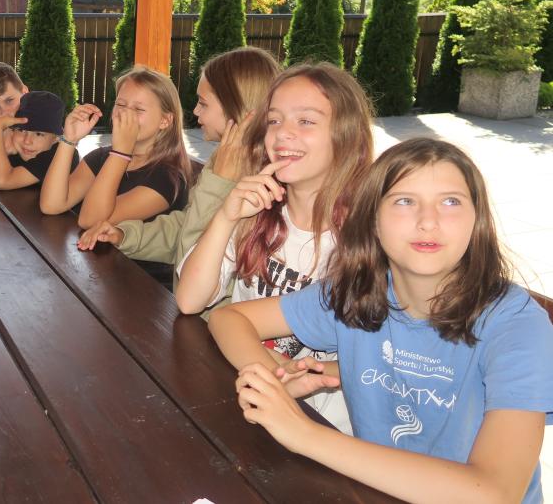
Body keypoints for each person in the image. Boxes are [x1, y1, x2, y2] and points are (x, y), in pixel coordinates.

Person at [210, 138, 553, 503]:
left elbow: (495, 493)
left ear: (477, 219)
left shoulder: (517, 324)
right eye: (405, 201)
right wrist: (275, 378)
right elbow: (228, 319)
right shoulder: (353, 293)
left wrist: (303, 433)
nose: (428, 221)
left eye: (450, 201)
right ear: (372, 219)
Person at [176, 62, 375, 433]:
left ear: (347, 137)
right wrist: (226, 217)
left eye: (306, 121)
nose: (283, 133)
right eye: (274, 120)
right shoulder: (257, 215)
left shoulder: (369, 237)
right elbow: (189, 300)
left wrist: (281, 382)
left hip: (329, 424)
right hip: (257, 398)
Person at [77, 47, 281, 291]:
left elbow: (201, 251)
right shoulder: (223, 159)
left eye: (203, 104)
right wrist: (124, 235)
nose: (195, 111)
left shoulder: (263, 185)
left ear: (237, 109)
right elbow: (186, 227)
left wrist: (218, 182)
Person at [40, 67, 191, 230]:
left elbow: (90, 221)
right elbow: (51, 205)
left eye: (139, 109)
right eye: (120, 104)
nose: (124, 113)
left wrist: (120, 153)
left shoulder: (167, 179)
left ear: (165, 120)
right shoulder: (101, 157)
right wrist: (69, 140)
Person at [0, 90, 79, 189]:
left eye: (38, 134)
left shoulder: (56, 155)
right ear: (13, 130)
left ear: (56, 138)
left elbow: (1, 182)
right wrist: (4, 150)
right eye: (21, 130)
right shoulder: (22, 151)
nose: (27, 141)